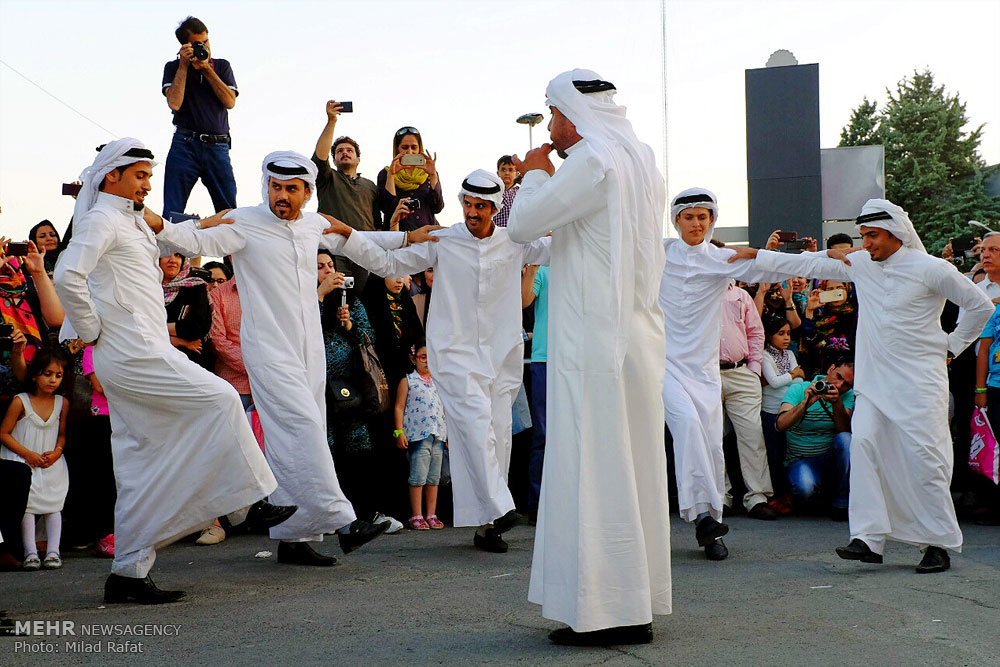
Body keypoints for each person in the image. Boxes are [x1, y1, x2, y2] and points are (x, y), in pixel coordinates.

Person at [149, 150, 437, 565]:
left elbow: (361, 241)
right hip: (268, 349)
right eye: (275, 187)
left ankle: (294, 538)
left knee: (306, 433)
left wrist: (408, 238)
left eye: (291, 189)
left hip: (310, 348)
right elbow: (195, 240)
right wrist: (159, 221)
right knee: (301, 424)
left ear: (307, 191)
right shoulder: (244, 222)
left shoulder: (313, 224)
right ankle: (344, 519)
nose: (281, 196)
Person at [54, 139, 290, 603]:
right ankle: (247, 504)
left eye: (148, 174)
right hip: (133, 352)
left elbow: (174, 234)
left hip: (138, 349)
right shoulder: (102, 218)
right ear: (112, 177)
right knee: (222, 399)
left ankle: (129, 572)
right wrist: (91, 326)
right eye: (140, 175)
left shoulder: (130, 219)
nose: (147, 182)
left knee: (141, 462)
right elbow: (67, 275)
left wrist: (208, 224)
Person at [730, 198, 996, 573]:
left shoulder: (932, 269)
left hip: (920, 383)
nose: (866, 243)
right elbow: (810, 262)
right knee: (866, 447)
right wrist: (757, 254)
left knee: (925, 460)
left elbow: (981, 306)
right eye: (863, 235)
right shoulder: (861, 264)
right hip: (874, 383)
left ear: (896, 233)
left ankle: (937, 544)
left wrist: (950, 346)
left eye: (872, 235)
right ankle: (869, 539)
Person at [506, 70, 669, 646]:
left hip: (594, 341)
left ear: (572, 112)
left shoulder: (592, 159)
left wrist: (530, 177)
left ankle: (608, 612)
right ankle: (634, 602)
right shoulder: (640, 159)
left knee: (593, 467)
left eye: (552, 114)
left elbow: (521, 225)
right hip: (637, 338)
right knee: (630, 462)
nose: (550, 126)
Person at [331, 169, 550, 554]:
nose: (472, 212)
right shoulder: (442, 241)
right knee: (477, 426)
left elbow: (567, 246)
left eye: (481, 206)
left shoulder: (515, 241)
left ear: (495, 208)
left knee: (496, 435)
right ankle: (502, 507)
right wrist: (349, 237)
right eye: (468, 204)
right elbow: (387, 265)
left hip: (502, 355)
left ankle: (487, 526)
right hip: (455, 354)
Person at [657, 188, 799, 562]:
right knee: (687, 427)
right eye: (689, 217)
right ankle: (702, 515)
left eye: (704, 217)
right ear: (676, 221)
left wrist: (840, 261)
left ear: (712, 221)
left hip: (707, 374)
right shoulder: (657, 252)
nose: (697, 223)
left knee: (711, 443)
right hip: (664, 367)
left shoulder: (724, 259)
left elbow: (776, 268)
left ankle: (711, 525)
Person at [161, 16, 239, 220]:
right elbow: (174, 103)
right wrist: (184, 66)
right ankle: (168, 253)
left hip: (218, 146)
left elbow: (230, 101)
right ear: (184, 46)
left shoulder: (221, 66)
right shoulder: (173, 68)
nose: (204, 48)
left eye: (205, 42)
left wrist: (207, 69)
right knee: (172, 211)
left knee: (229, 213)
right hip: (184, 145)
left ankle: (230, 252)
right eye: (197, 44)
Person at [0, 348, 70, 570]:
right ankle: (30, 552)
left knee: (53, 504)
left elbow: (61, 435)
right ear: (34, 375)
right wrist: (26, 454)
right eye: (47, 374)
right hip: (22, 459)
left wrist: (57, 452)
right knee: (28, 506)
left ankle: (53, 551)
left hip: (49, 461)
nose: (53, 380)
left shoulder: (62, 403)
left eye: (58, 375)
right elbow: (4, 433)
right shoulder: (20, 402)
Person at [719, 278, 777, 520]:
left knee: (752, 434)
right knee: (710, 437)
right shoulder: (693, 288)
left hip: (741, 371)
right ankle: (719, 497)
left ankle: (758, 496)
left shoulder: (741, 294)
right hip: (704, 373)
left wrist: (753, 368)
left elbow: (755, 331)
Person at [313, 101, 381, 291]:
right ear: (333, 159)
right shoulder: (327, 178)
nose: (344, 153)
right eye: (339, 151)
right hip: (335, 250)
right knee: (336, 297)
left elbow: (377, 222)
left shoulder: (370, 186)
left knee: (362, 301)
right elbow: (320, 157)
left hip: (364, 250)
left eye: (349, 150)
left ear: (358, 158)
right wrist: (331, 121)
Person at [775, 362, 855, 519]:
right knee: (805, 489)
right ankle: (820, 495)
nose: (839, 385)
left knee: (847, 439)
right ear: (830, 369)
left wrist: (837, 403)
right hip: (802, 460)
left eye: (846, 384)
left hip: (831, 458)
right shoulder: (798, 389)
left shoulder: (847, 395)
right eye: (838, 376)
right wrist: (806, 403)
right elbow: (780, 425)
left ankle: (840, 504)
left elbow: (844, 431)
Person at [393, 339, 448, 530]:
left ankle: (431, 513)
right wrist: (399, 432)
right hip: (418, 435)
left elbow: (445, 409)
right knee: (418, 477)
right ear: (413, 358)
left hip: (438, 435)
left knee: (434, 477)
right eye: (423, 357)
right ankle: (416, 514)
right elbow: (399, 407)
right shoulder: (408, 381)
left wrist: (448, 434)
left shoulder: (439, 383)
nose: (427, 361)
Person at [760, 316, 805, 508]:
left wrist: (788, 377)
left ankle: (789, 495)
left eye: (788, 333)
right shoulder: (764, 356)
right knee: (773, 455)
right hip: (770, 412)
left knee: (788, 453)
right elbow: (773, 382)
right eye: (781, 334)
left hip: (789, 411)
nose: (786, 338)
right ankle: (775, 495)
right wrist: (792, 375)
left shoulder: (789, 354)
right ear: (769, 335)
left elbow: (801, 381)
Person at [520, 263, 548, 520]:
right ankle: (538, 504)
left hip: (579, 360)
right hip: (545, 358)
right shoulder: (543, 269)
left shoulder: (585, 258)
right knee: (543, 434)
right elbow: (524, 300)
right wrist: (532, 267)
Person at [376, 127, 443, 231]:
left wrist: (433, 176)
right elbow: (387, 208)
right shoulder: (386, 173)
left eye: (414, 147)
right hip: (398, 236)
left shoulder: (428, 173)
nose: (409, 152)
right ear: (397, 148)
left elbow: (437, 207)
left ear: (419, 149)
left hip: (426, 235)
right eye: (404, 147)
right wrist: (391, 176)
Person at [160, 253, 213, 370]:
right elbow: (138, 330)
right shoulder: (146, 289)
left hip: (191, 363)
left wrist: (157, 328)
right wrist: (179, 341)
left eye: (178, 256)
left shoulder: (195, 287)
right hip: (157, 364)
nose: (173, 260)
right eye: (166, 254)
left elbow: (197, 327)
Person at [208, 265, 250, 407]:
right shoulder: (219, 294)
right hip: (235, 385)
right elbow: (218, 340)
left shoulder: (270, 292)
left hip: (272, 385)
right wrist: (254, 367)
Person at [493, 155, 520, 228]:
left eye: (511, 170)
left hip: (517, 234)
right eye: (503, 170)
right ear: (498, 173)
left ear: (517, 174)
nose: (507, 173)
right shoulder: (493, 193)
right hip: (498, 236)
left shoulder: (521, 192)